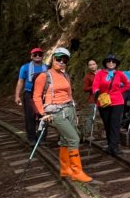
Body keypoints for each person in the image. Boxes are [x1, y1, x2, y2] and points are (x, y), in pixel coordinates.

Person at [32, 47, 92, 182]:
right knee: (74, 139)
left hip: (69, 109)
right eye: (59, 59)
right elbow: (36, 97)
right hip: (55, 112)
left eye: (64, 60)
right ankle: (77, 172)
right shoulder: (44, 76)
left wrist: (74, 112)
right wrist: (43, 114)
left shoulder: (65, 75)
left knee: (65, 140)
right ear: (53, 58)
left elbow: (69, 95)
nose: (61, 62)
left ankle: (65, 170)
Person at [92, 54, 130, 156]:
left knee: (114, 124)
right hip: (104, 101)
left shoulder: (119, 74)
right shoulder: (100, 74)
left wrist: (119, 91)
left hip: (117, 102)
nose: (111, 63)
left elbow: (128, 85)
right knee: (107, 123)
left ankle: (114, 146)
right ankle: (111, 145)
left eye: (113, 61)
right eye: (109, 61)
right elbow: (95, 86)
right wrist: (96, 92)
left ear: (116, 64)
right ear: (105, 62)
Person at [15, 47, 48, 146]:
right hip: (29, 94)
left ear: (42, 56)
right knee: (30, 117)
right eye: (35, 54)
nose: (37, 56)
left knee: (44, 116)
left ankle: (41, 138)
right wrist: (17, 95)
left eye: (40, 54)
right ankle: (32, 139)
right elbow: (20, 81)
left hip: (43, 95)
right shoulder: (25, 67)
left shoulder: (47, 68)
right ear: (31, 56)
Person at [82, 59, 99, 137]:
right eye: (90, 65)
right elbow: (85, 89)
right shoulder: (87, 76)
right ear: (88, 67)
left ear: (97, 65)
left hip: (104, 98)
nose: (92, 66)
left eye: (94, 64)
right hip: (93, 99)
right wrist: (94, 87)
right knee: (91, 117)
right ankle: (88, 133)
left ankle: (102, 132)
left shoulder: (101, 73)